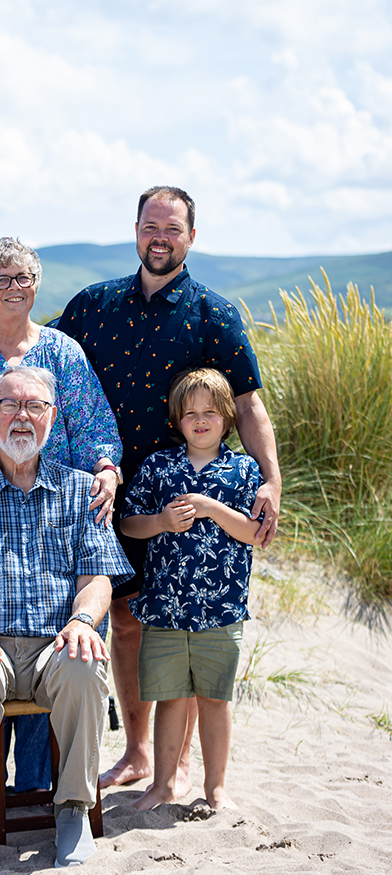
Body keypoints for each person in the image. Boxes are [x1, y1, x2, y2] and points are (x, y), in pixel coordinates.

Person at [51, 186, 281, 791]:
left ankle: (181, 762)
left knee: (183, 627)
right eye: (151, 226)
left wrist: (272, 482)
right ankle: (138, 753)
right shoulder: (92, 305)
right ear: (135, 230)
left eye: (173, 229)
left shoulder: (214, 314)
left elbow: (250, 406)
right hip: (106, 493)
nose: (161, 237)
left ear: (191, 238)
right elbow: (32, 348)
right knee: (125, 622)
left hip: (189, 499)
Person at [0, 236, 123, 793]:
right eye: (0, 280)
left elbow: (94, 425)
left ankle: (39, 790)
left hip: (57, 519)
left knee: (66, 644)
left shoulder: (63, 352)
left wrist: (105, 468)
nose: (14, 288)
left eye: (23, 277)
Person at [0, 366, 133, 870]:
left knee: (84, 665)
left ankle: (73, 809)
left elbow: (98, 577)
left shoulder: (83, 492)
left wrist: (81, 622)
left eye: (34, 406)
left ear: (52, 418)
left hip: (56, 646)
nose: (21, 417)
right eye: (9, 405)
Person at [120, 367, 261, 811]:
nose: (201, 420)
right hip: (164, 606)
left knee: (215, 700)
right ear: (177, 419)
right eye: (190, 413)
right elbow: (129, 523)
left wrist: (210, 507)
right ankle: (162, 785)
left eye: (211, 412)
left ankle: (215, 788)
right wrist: (162, 521)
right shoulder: (159, 467)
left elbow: (254, 533)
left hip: (221, 609)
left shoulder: (243, 470)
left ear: (227, 417)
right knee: (170, 699)